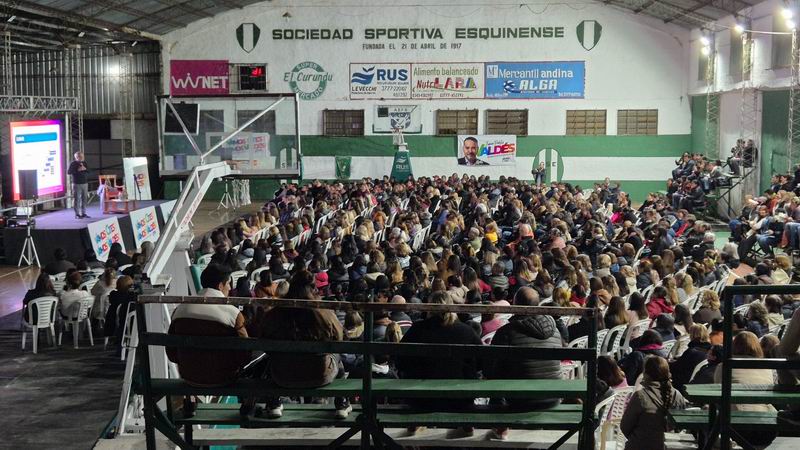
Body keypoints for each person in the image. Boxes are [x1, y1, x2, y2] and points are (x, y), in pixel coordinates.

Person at [254, 270, 351, 419]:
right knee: (336, 355)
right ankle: (342, 403)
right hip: (319, 374)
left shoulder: (275, 313)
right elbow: (339, 339)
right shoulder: (323, 312)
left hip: (282, 374)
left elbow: (263, 340)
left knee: (271, 359)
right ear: (313, 289)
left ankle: (274, 403)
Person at [396, 291, 482, 435]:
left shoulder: (418, 329)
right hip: (459, 399)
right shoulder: (466, 331)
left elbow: (400, 361)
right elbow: (480, 362)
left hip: (422, 399)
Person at [486, 287, 564, 440]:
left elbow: (490, 371)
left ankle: (500, 427)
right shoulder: (555, 330)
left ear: (516, 305)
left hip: (521, 402)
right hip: (553, 398)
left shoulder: (506, 332)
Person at [167, 264, 250, 389]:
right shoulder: (233, 314)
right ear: (220, 286)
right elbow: (245, 355)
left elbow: (171, 353)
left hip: (189, 377)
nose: (229, 288)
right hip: (223, 378)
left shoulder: (180, 310)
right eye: (228, 284)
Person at [714, 331, 777, 446]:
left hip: (736, 427)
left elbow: (718, 395)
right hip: (768, 427)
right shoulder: (767, 368)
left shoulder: (724, 366)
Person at [620, 356, 687, 450]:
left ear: (646, 373)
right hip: (669, 446)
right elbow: (680, 426)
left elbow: (625, 426)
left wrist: (641, 438)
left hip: (639, 445)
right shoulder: (677, 395)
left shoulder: (641, 396)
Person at [67, 151, 90, 219]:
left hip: (85, 183)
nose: (82, 157)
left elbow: (89, 171)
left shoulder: (84, 163)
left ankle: (83, 213)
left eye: (83, 156)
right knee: (77, 199)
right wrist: (78, 170)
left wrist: (85, 169)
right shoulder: (73, 164)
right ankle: (77, 214)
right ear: (77, 157)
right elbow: (69, 172)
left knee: (84, 199)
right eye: (81, 156)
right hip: (77, 184)